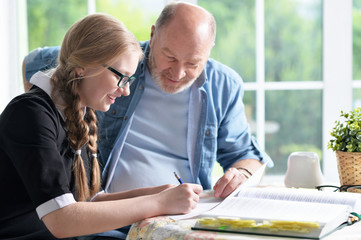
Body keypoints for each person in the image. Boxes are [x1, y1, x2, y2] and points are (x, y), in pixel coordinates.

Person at [23, 1, 273, 237]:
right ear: (153, 35)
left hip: (180, 220)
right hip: (102, 222)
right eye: (170, 57)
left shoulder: (224, 85)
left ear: (208, 53)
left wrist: (241, 173)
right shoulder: (116, 60)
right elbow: (33, 63)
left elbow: (247, 156)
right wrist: (53, 127)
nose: (178, 73)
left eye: (193, 64)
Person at [0, 13, 203, 240]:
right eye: (121, 77)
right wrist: (158, 202)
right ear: (84, 67)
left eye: (130, 80)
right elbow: (62, 219)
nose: (125, 90)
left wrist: (159, 192)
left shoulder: (80, 111)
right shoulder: (30, 114)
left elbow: (89, 201)